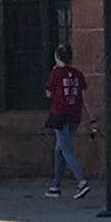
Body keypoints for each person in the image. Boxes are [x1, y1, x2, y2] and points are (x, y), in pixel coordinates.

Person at [43, 50, 92, 203]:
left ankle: (81, 182)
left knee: (65, 149)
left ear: (57, 57)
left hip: (59, 114)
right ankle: (55, 186)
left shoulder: (56, 73)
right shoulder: (78, 74)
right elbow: (83, 99)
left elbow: (48, 94)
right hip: (74, 115)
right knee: (59, 149)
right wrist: (92, 118)